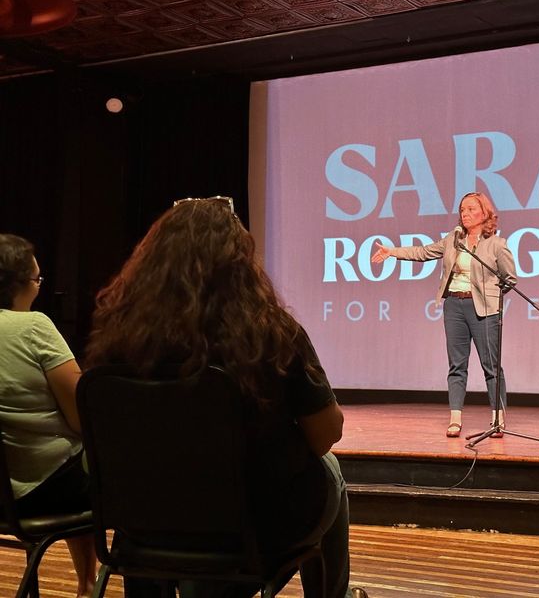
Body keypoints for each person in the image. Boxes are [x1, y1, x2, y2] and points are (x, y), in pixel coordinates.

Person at [83, 197, 368, 598]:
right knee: (331, 469)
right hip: (246, 534)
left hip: (144, 527)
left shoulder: (117, 338)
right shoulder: (271, 332)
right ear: (240, 264)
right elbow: (324, 435)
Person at [371, 192, 517, 438]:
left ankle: (497, 419)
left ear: (484, 213)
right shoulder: (453, 239)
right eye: (462, 210)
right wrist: (392, 252)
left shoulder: (496, 244)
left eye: (471, 209)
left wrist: (490, 296)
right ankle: (455, 418)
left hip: (483, 309)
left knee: (491, 365)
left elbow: (509, 279)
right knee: (457, 365)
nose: (466, 214)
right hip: (454, 306)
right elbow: (424, 252)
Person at [0, 234, 97, 598]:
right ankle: (92, 584)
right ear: (20, 285)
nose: (40, 288)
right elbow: (81, 418)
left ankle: (88, 582)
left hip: (6, 492)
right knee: (114, 468)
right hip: (44, 490)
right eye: (37, 280)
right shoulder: (34, 327)